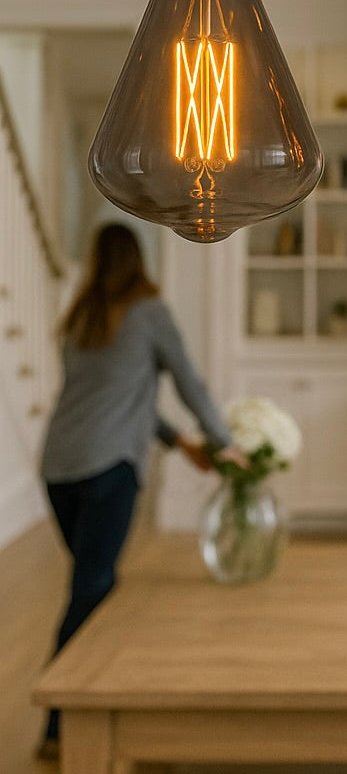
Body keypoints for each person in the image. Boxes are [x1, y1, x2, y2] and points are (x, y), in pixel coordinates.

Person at [37, 223, 239, 758]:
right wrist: (225, 443)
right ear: (139, 260)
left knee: (94, 584)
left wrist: (179, 443)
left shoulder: (80, 316)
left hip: (58, 467)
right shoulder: (149, 313)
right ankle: (59, 725)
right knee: (92, 587)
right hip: (108, 467)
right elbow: (189, 384)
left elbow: (122, 401)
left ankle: (109, 706)